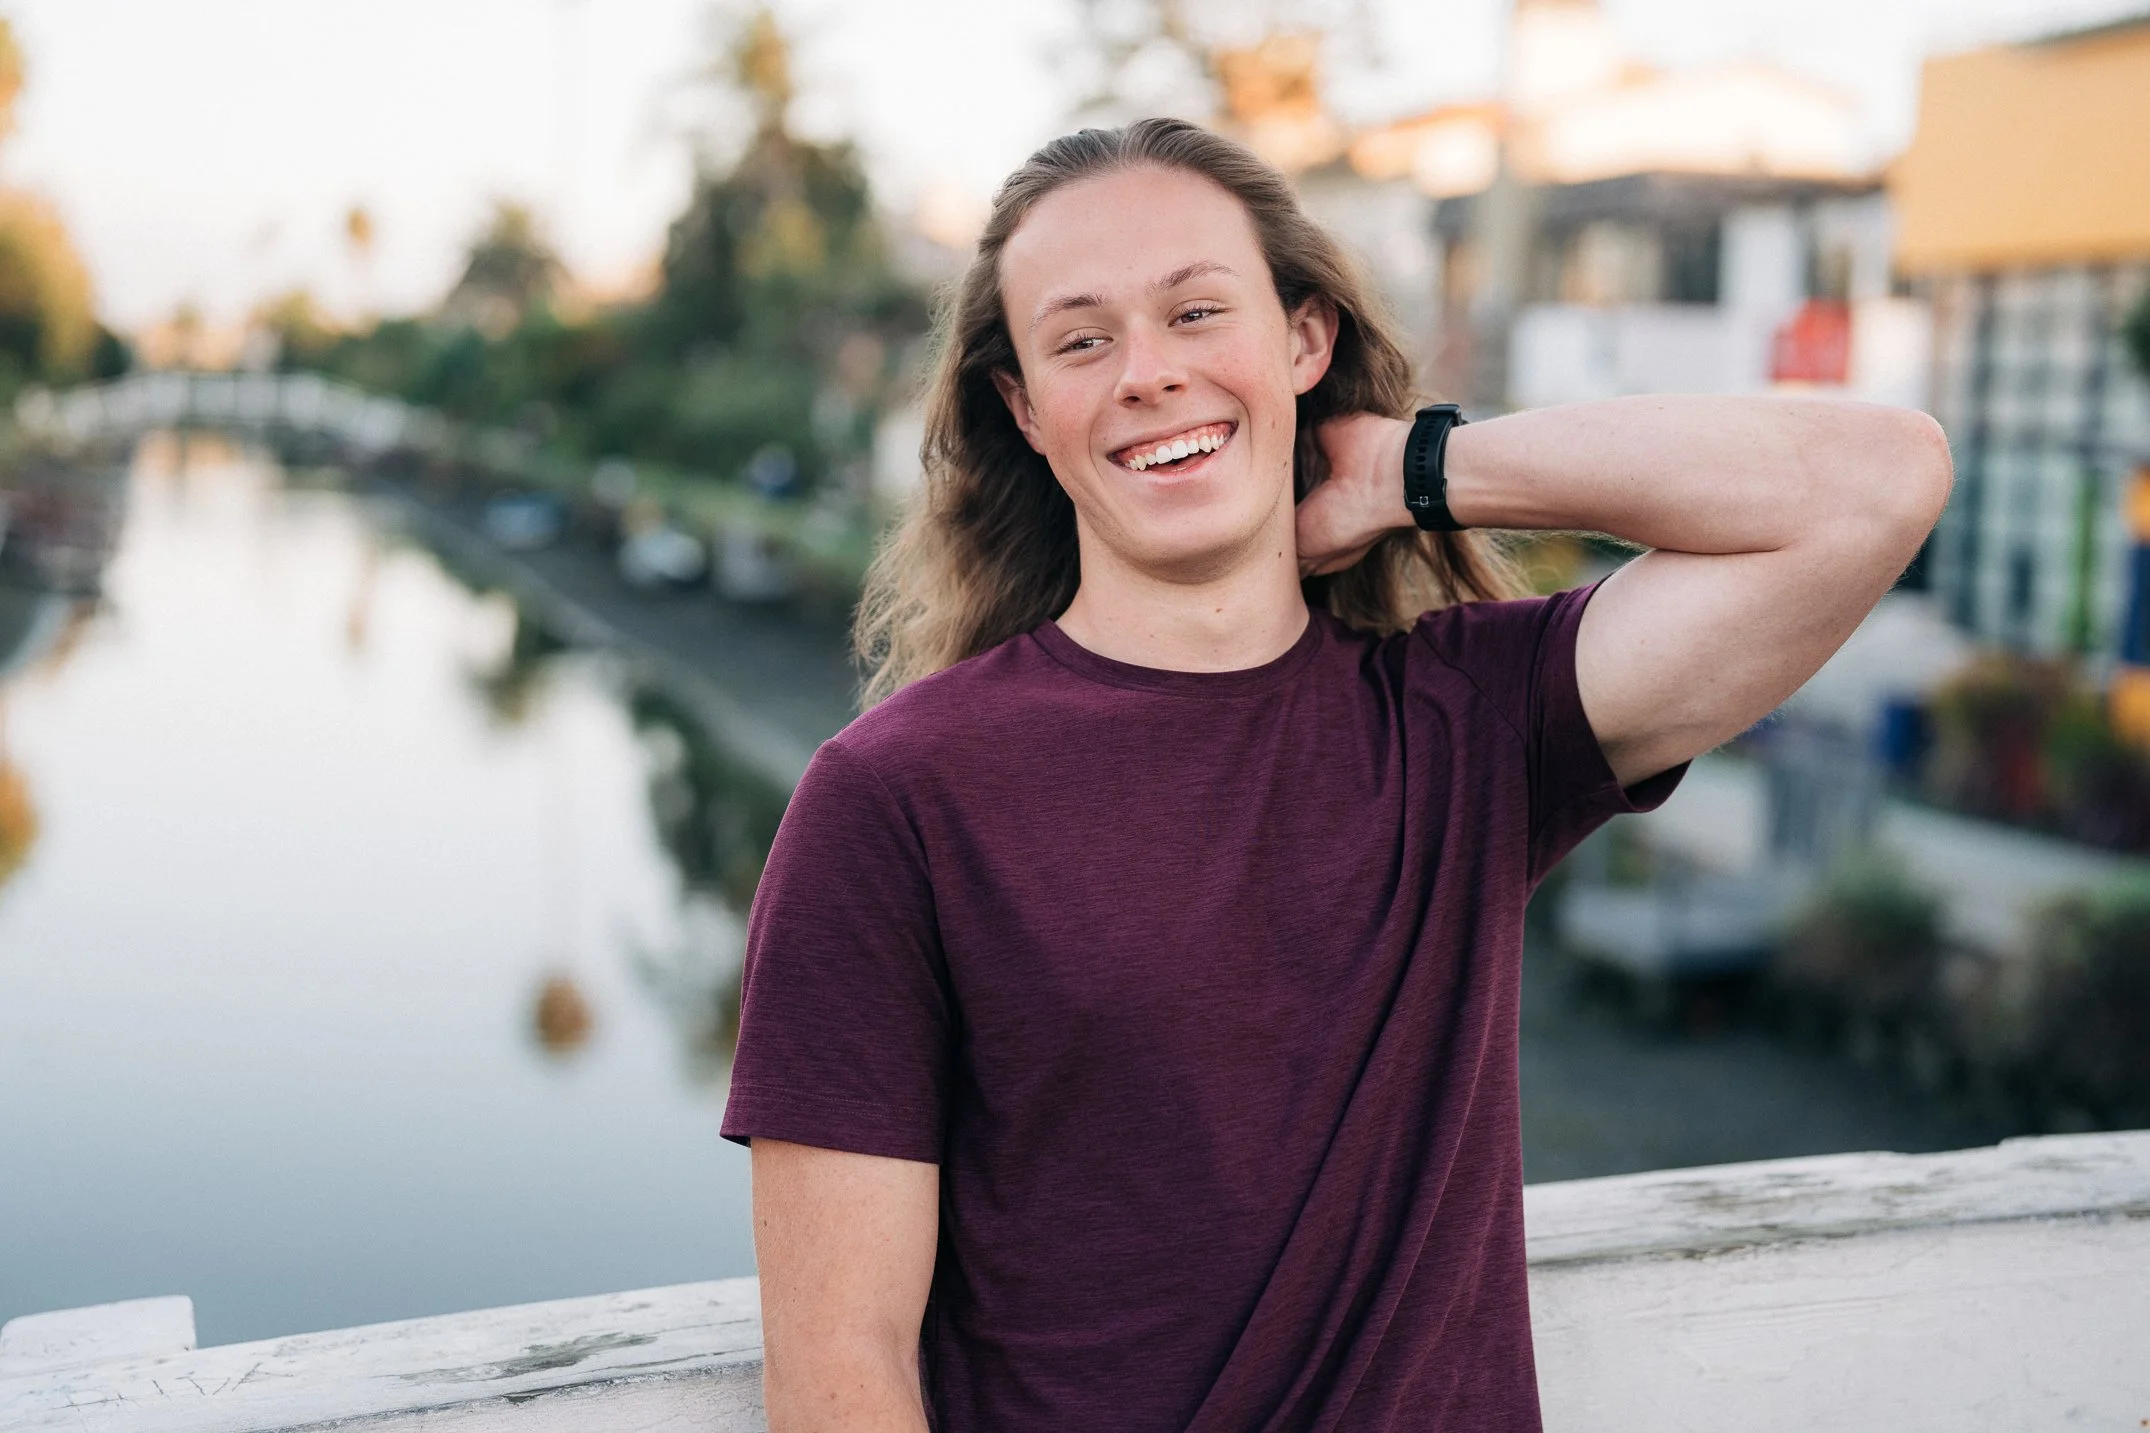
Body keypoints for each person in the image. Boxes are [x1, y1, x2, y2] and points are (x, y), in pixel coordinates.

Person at [719, 118, 1951, 1433]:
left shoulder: (1469, 723)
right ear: (1023, 407)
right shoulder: (896, 800)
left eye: (1198, 313)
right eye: (1082, 340)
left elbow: (1876, 484)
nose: (1148, 373)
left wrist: (1401, 468)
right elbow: (841, 1363)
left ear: (1301, 341)